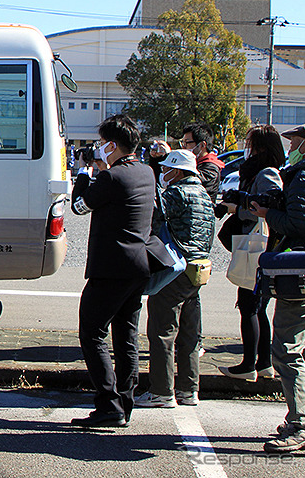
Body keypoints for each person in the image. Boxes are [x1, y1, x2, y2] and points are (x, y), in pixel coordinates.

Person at [69, 114, 155, 428]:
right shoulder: (145, 173)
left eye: (104, 143)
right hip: (138, 266)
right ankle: (125, 403)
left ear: (113, 145)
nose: (100, 148)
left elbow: (79, 205)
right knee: (126, 337)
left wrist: (83, 173)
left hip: (110, 268)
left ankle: (108, 405)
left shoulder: (111, 178)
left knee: (92, 333)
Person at [136, 150, 214, 408]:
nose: (163, 174)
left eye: (167, 169)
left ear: (178, 172)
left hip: (176, 270)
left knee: (162, 332)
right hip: (199, 270)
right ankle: (189, 390)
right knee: (190, 335)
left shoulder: (176, 193)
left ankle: (161, 391)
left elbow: (154, 218)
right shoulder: (204, 195)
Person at [251, 123, 305, 453]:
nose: (293, 148)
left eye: (298, 142)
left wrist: (269, 212)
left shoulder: (302, 176)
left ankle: (299, 424)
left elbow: (301, 223)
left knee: (287, 348)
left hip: (300, 273)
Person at [216, 125, 284, 381]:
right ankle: (263, 363)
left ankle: (248, 365)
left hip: (257, 247)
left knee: (250, 306)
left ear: (262, 147)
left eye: (251, 143)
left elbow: (266, 206)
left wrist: (238, 207)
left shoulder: (266, 173)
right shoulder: (263, 170)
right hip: (258, 247)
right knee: (258, 306)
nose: (248, 148)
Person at [152, 123, 224, 203]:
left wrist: (172, 157)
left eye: (187, 143)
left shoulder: (211, 168)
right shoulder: (197, 163)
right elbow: (162, 179)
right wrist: (156, 159)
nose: (183, 147)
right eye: (182, 142)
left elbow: (187, 179)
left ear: (202, 145)